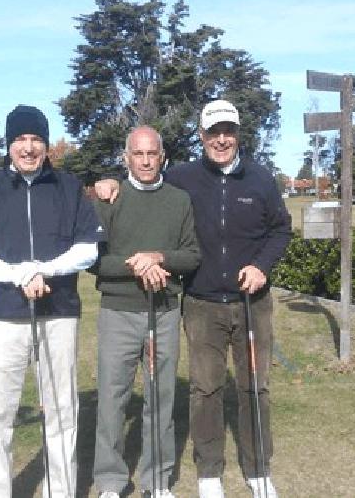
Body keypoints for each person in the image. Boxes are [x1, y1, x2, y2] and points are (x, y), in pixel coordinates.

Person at [93, 100, 293, 498]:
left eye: (229, 132)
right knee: (205, 389)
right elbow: (138, 185)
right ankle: (208, 471)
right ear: (201, 137)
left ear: (238, 135)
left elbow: (280, 230)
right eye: (213, 132)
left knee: (255, 386)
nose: (222, 140)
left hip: (252, 298)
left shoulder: (261, 179)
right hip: (201, 302)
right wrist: (105, 181)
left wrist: (263, 266)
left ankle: (257, 469)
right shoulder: (184, 178)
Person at [0, 104, 104, 498]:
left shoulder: (68, 187)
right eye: (20, 139)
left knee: (61, 412)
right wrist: (19, 273)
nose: (28, 147)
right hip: (3, 317)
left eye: (36, 139)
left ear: (47, 144)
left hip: (59, 315)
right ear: (8, 144)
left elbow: (88, 248)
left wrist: (44, 270)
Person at [89, 126, 201, 498]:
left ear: (163, 156)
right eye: (138, 154)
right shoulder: (108, 199)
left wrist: (160, 258)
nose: (146, 160)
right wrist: (136, 265)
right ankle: (109, 480)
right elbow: (95, 261)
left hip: (165, 311)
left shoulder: (179, 200)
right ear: (126, 158)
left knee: (160, 397)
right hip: (118, 311)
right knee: (112, 397)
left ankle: (157, 480)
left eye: (152, 153)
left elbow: (192, 255)